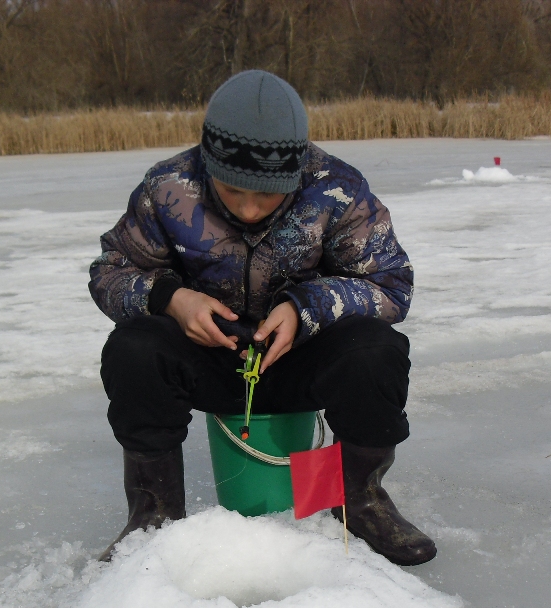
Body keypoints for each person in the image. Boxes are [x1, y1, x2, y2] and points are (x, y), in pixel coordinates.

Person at [89, 70, 436, 566]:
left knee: (375, 350)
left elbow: (391, 287)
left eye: (268, 195)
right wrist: (171, 297)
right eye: (232, 192)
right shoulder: (168, 187)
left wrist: (306, 309)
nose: (250, 210)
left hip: (299, 361)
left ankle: (359, 501)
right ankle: (153, 516)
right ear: (208, 164)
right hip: (210, 358)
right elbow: (109, 273)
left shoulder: (336, 189)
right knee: (135, 347)